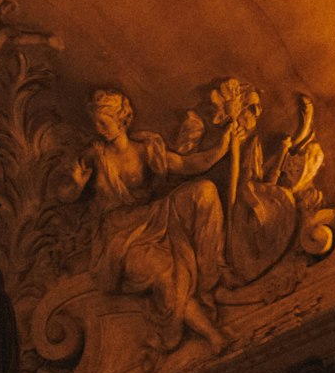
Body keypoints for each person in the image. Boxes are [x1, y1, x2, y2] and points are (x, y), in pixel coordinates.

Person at [61, 88, 232, 358]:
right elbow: (65, 196)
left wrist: (223, 146)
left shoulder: (145, 149)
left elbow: (186, 165)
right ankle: (211, 333)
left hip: (153, 216)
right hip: (119, 235)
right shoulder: (94, 155)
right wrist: (76, 184)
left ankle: (214, 271)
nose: (98, 129)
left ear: (122, 120)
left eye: (104, 122)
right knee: (164, 274)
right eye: (95, 123)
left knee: (205, 191)